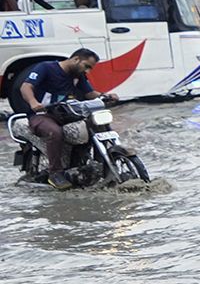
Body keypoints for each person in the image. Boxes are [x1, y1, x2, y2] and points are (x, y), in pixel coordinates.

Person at [9, 49, 119, 189]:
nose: (88, 71)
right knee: (55, 132)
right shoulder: (46, 68)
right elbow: (26, 87)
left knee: (93, 124)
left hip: (66, 113)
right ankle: (55, 174)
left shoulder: (78, 75)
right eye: (87, 66)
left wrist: (106, 96)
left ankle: (96, 164)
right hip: (42, 115)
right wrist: (33, 103)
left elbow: (89, 93)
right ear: (76, 59)